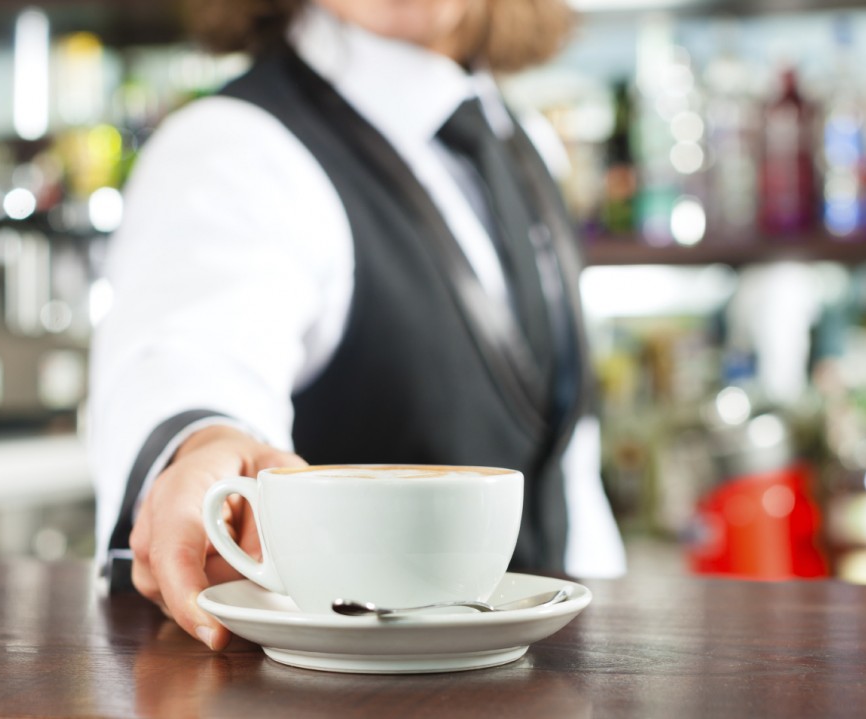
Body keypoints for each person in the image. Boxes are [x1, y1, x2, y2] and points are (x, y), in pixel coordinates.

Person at [89, 0, 626, 651]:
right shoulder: (230, 146)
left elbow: (565, 464)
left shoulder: (524, 139)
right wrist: (199, 443)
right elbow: (188, 348)